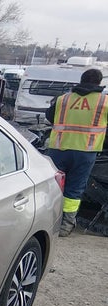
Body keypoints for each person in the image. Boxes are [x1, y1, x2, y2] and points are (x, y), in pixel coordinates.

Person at [46, 68, 108, 236]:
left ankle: (47, 220)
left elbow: (50, 116)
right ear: (99, 83)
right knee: (74, 189)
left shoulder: (63, 99)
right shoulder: (104, 101)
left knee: (53, 185)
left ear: (81, 80)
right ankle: (65, 226)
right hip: (85, 151)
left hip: (58, 148)